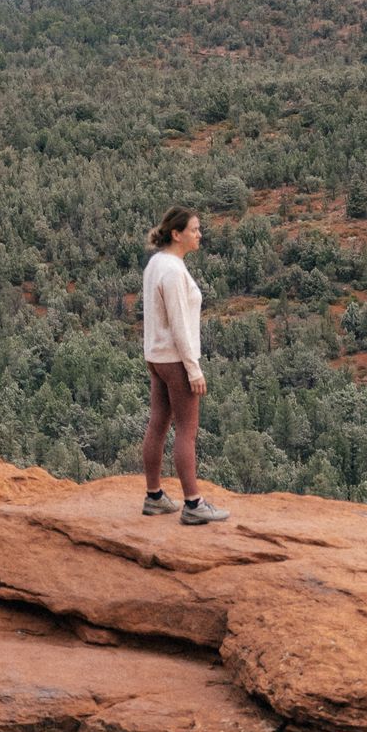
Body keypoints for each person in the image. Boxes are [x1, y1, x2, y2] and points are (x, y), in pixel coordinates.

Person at [139, 206, 229, 524]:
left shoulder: (156, 264)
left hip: (155, 356)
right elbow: (180, 325)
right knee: (187, 431)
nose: (199, 234)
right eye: (194, 229)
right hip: (175, 360)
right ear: (177, 234)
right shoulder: (174, 271)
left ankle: (154, 497)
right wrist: (194, 369)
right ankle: (193, 505)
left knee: (158, 423)